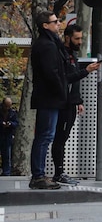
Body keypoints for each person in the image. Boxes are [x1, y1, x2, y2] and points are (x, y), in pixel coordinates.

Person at [52, 23, 101, 185]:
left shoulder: (72, 55)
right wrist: (86, 71)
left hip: (71, 103)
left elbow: (74, 82)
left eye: (81, 38)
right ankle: (58, 172)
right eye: (76, 38)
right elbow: (68, 78)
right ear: (67, 38)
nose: (79, 42)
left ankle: (60, 171)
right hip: (63, 104)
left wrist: (78, 100)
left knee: (63, 139)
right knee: (60, 138)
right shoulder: (62, 55)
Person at [29, 11, 68, 190]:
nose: (58, 24)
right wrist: (61, 91)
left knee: (45, 136)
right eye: (55, 22)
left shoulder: (44, 44)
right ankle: (38, 175)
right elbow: (51, 73)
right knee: (45, 136)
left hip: (46, 96)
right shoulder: (48, 46)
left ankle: (39, 174)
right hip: (49, 98)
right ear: (45, 25)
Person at [0, 97, 18, 176]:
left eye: (9, 106)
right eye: (6, 106)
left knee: (7, 155)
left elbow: (16, 123)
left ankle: (6, 171)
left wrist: (10, 124)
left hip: (8, 135)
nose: (7, 108)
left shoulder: (13, 112)